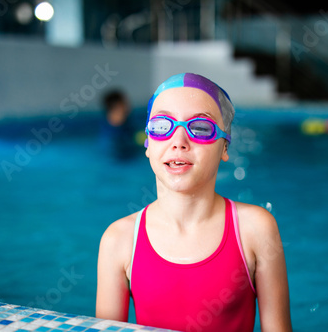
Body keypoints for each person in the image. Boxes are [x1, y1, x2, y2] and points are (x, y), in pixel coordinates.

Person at [96, 73, 292, 332]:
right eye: (162, 126)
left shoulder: (255, 229)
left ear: (224, 148)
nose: (178, 142)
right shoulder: (119, 240)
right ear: (147, 144)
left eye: (200, 128)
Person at [99, 89, 138, 159]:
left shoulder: (127, 124)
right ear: (118, 107)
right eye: (125, 104)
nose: (129, 107)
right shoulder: (110, 135)